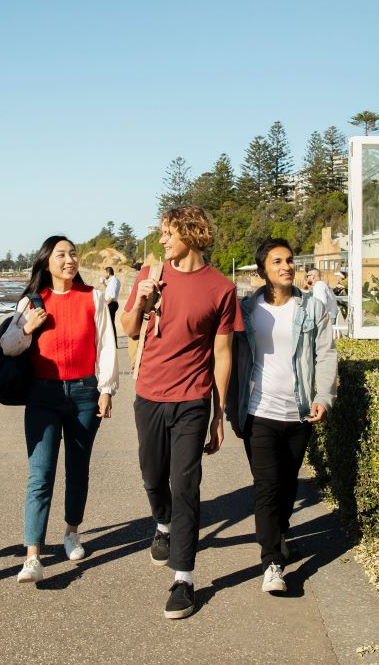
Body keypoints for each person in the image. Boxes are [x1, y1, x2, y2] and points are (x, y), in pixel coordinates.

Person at [120, 205, 242, 620]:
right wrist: (143, 299)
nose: (162, 240)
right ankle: (163, 524)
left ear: (191, 232)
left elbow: (221, 352)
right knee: (153, 476)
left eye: (168, 232)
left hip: (193, 399)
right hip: (149, 394)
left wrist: (219, 412)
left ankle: (184, 578)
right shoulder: (151, 275)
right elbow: (130, 329)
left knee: (186, 484)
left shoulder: (221, 288)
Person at [2, 236, 118, 583]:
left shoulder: (93, 297)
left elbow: (106, 344)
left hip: (84, 392)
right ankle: (33, 555)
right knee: (40, 474)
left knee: (78, 468)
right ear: (47, 262)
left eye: (73, 254)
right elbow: (8, 346)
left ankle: (71, 532)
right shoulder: (32, 301)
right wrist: (28, 326)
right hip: (42, 394)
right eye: (61, 254)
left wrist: (107, 389)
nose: (69, 259)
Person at [228, 239, 337, 594]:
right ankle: (272, 561)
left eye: (290, 260)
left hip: (300, 413)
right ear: (263, 270)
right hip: (258, 412)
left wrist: (324, 397)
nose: (287, 266)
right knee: (267, 487)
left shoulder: (313, 308)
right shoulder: (246, 310)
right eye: (277, 261)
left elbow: (325, 355)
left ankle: (280, 532)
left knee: (288, 485)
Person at [103, 266, 122, 339]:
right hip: (111, 303)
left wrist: (105, 305)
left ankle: (113, 342)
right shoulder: (112, 281)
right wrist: (104, 283)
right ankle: (112, 341)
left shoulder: (114, 281)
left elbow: (112, 296)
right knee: (109, 323)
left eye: (105, 273)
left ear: (108, 273)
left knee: (110, 324)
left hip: (111, 303)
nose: (104, 275)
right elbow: (109, 290)